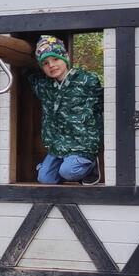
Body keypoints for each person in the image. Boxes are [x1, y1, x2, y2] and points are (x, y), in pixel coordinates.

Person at [29, 36, 103, 185]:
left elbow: (103, 105)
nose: (51, 65)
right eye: (45, 63)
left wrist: (95, 136)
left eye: (55, 59)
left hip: (82, 144)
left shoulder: (87, 81)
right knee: (45, 179)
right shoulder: (43, 86)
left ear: (66, 57)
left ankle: (90, 166)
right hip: (58, 146)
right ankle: (67, 168)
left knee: (68, 171)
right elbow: (27, 72)